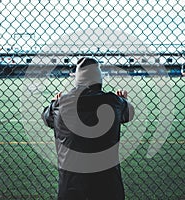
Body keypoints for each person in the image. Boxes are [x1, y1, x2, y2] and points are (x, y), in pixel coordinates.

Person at [42, 57, 134, 200]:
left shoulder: (60, 104)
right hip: (108, 187)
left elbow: (47, 118)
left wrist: (55, 102)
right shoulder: (114, 102)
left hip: (70, 187)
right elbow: (129, 114)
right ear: (98, 79)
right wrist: (124, 100)